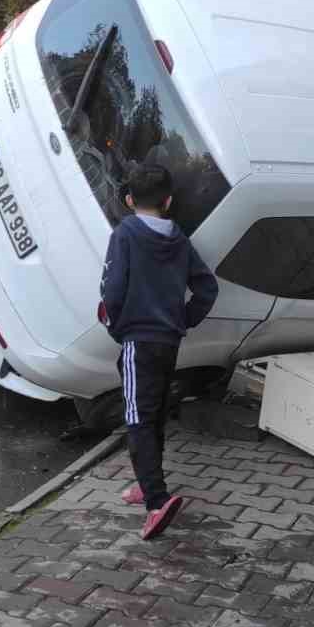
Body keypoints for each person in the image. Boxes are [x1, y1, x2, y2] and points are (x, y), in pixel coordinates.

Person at [99, 163, 218, 541]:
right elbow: (206, 289)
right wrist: (183, 319)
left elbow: (112, 289)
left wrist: (116, 326)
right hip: (168, 342)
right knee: (153, 414)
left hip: (138, 340)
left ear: (130, 200)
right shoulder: (179, 239)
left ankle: (157, 501)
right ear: (168, 202)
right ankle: (146, 483)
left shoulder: (125, 234)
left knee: (137, 419)